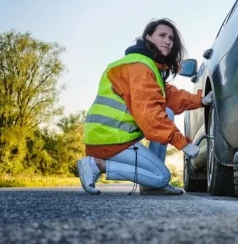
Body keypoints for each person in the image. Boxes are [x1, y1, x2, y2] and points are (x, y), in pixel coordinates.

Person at [77, 18, 213, 195]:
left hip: (112, 136)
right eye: (162, 35)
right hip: (110, 139)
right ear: (148, 37)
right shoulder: (139, 66)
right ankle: (96, 164)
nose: (167, 41)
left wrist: (199, 100)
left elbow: (169, 95)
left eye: (171, 38)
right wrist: (182, 143)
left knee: (167, 111)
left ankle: (151, 186)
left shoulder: (146, 65)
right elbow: (150, 113)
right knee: (162, 177)